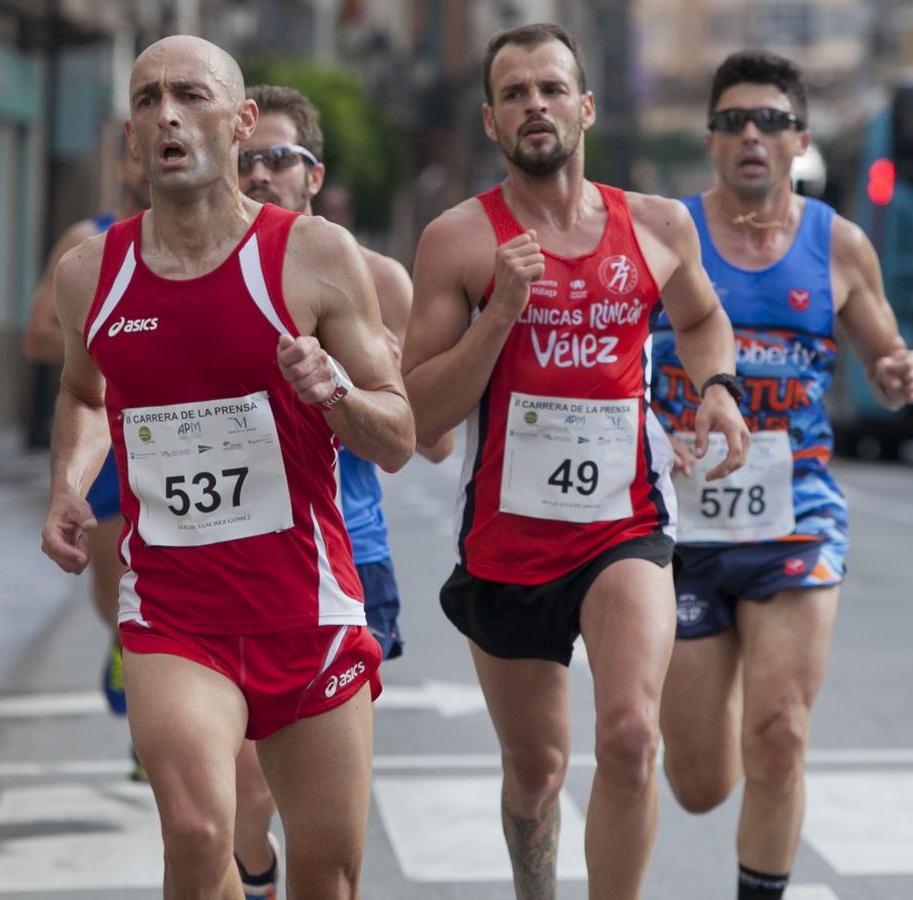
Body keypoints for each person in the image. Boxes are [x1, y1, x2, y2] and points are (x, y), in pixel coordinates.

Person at [39, 35, 415, 900]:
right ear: (131, 137)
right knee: (201, 829)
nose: (167, 114)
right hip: (175, 612)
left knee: (328, 876)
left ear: (242, 122)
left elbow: (397, 437)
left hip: (305, 608)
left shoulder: (314, 256)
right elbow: (85, 394)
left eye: (190, 95)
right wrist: (67, 483)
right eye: (146, 100)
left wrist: (335, 395)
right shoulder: (90, 274)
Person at [401, 23, 750, 900]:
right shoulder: (459, 241)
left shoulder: (659, 226)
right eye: (515, 93)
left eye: (552, 88)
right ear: (490, 120)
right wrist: (499, 314)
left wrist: (716, 390)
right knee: (536, 770)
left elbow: (704, 321)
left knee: (632, 734)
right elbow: (420, 417)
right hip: (508, 543)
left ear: (585, 106)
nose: (536, 106)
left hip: (625, 525)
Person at [647, 51, 913, 900]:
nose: (751, 136)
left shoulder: (837, 243)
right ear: (711, 141)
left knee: (781, 734)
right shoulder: (668, 235)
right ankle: (724, 698)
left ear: (799, 139)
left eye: (770, 120)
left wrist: (897, 376)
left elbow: (887, 355)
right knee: (699, 783)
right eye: (732, 121)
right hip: (681, 526)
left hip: (795, 515)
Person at [230, 82, 454, 897]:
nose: (260, 176)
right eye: (245, 159)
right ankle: (255, 876)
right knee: (241, 797)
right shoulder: (199, 272)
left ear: (314, 175)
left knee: (316, 804)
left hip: (346, 561)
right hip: (230, 562)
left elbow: (432, 444)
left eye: (279, 159)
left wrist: (381, 371)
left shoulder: (379, 279)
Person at [23, 148, 150, 729]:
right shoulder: (88, 241)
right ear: (122, 164)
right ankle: (126, 645)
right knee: (116, 586)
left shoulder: (203, 242)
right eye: (139, 159)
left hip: (175, 438)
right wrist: (117, 346)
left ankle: (160, 711)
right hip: (106, 437)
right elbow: (37, 335)